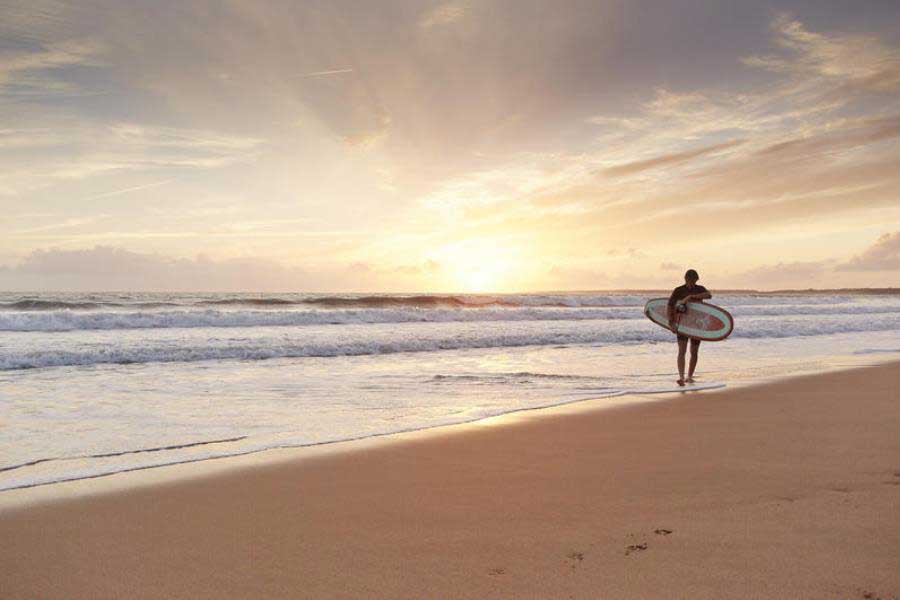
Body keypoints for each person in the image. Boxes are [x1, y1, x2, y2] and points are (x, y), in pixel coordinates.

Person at [667, 269, 712, 386]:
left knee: (694, 352)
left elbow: (709, 295)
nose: (691, 282)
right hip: (682, 324)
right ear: (685, 279)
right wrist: (670, 322)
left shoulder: (700, 288)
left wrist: (690, 297)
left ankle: (690, 376)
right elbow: (670, 305)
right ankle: (681, 377)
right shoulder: (678, 290)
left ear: (696, 280)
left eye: (694, 280)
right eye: (689, 280)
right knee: (682, 351)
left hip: (697, 325)